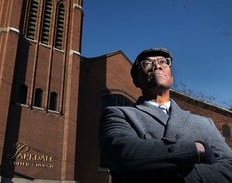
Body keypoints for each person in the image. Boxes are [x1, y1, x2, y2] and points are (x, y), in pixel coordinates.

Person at [99, 47, 232, 183]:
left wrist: (186, 176)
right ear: (136, 81)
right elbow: (123, 155)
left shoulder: (205, 123)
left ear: (172, 78)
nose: (157, 66)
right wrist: (195, 148)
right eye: (147, 63)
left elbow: (229, 167)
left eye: (163, 62)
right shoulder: (118, 115)